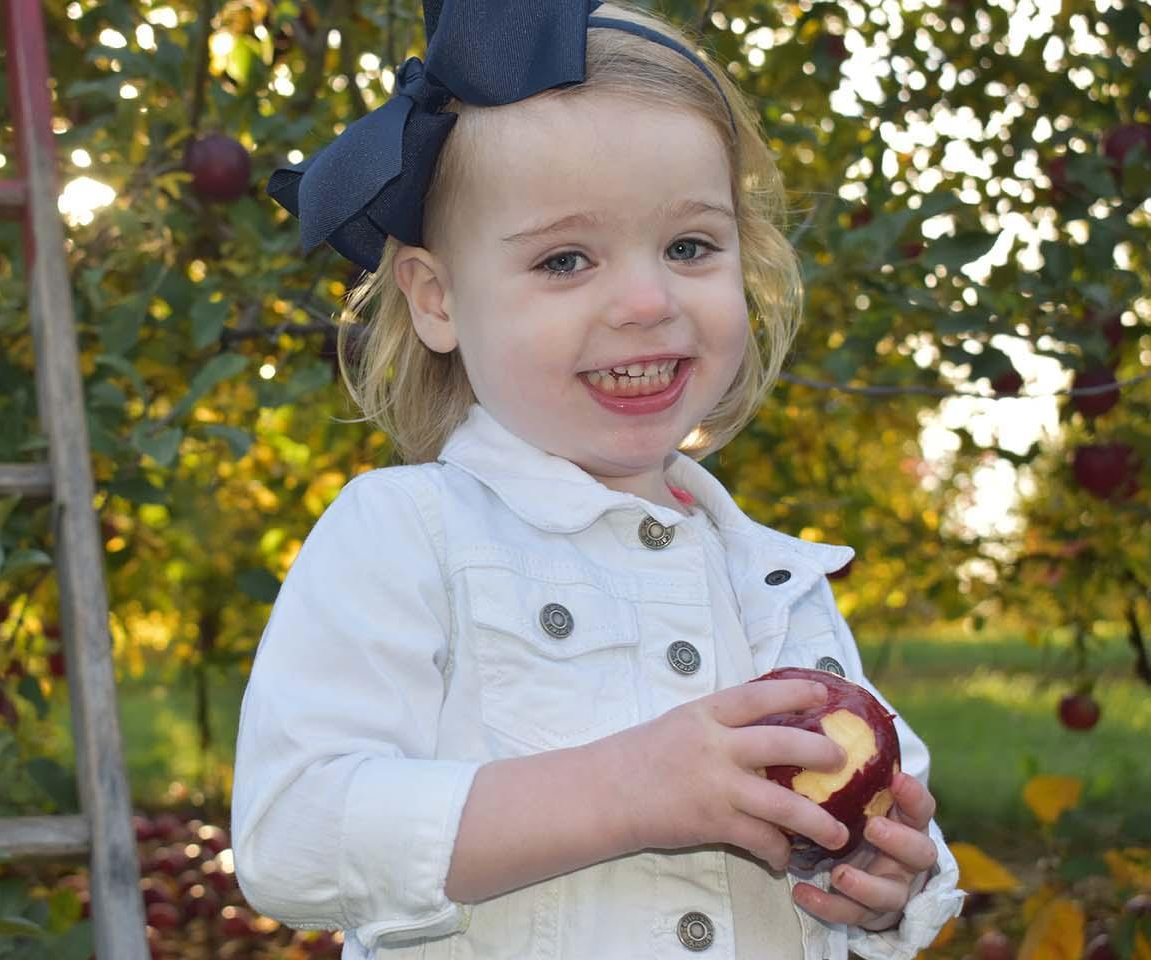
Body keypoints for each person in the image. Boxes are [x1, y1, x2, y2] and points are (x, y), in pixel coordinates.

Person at [231, 2, 964, 957]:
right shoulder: (408, 537)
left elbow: (890, 816)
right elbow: (293, 837)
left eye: (690, 247)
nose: (648, 302)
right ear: (437, 300)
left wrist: (883, 881)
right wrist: (625, 789)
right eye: (566, 259)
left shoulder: (777, 584)